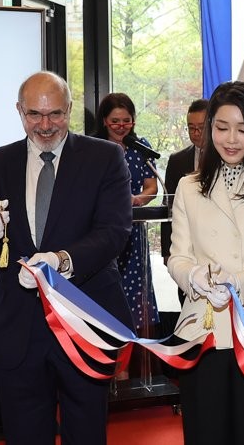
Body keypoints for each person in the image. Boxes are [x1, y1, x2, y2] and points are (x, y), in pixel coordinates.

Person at [0, 71, 133, 445]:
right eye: (34, 115)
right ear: (19, 112)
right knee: (23, 435)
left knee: (85, 432)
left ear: (69, 109)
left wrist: (62, 260)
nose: (45, 125)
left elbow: (114, 231)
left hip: (84, 321)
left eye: (55, 114)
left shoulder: (105, 157)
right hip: (17, 329)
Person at [167, 81, 244, 444]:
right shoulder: (189, 187)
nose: (231, 139)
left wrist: (236, 285)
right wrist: (192, 276)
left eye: (242, 129)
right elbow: (178, 256)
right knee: (205, 431)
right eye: (222, 128)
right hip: (201, 329)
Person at [94, 92, 160, 330]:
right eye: (115, 121)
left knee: (135, 295)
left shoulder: (141, 147)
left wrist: (138, 199)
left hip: (134, 232)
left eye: (127, 121)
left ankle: (133, 359)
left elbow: (151, 187)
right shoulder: (93, 148)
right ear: (104, 121)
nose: (121, 127)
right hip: (102, 232)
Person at [161, 98, 208, 306]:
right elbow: (168, 206)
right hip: (186, 248)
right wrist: (166, 250)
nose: (196, 133)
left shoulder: (232, 157)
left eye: (201, 127)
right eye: (192, 128)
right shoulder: (177, 160)